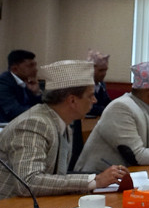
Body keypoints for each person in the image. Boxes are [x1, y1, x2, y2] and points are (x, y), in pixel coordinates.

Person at [0, 60, 126, 200]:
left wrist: (97, 180)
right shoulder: (34, 123)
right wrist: (94, 181)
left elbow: (56, 178)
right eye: (90, 95)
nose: (95, 100)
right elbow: (27, 183)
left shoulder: (62, 122)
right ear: (72, 100)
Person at [0, 49, 42, 122]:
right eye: (30, 66)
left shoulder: (27, 82)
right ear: (15, 69)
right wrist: (43, 113)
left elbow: (37, 106)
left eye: (35, 65)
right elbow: (14, 111)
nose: (35, 70)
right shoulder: (3, 82)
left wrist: (36, 93)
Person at [86, 50, 112, 117]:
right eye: (101, 70)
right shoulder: (84, 85)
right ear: (90, 69)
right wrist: (107, 110)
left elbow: (107, 102)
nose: (104, 74)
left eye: (105, 70)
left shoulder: (102, 85)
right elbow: (88, 108)